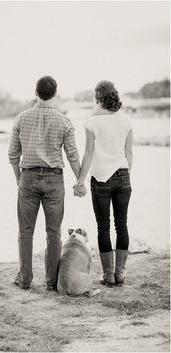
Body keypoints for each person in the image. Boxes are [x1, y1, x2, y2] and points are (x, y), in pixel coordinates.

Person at [8, 76, 81, 291]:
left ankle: (25, 279)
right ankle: (51, 282)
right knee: (54, 232)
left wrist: (18, 179)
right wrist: (80, 181)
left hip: (28, 177)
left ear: (35, 92)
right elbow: (73, 156)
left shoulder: (21, 118)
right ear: (55, 93)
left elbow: (13, 155)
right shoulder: (64, 121)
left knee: (25, 232)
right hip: (54, 180)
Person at [74, 80, 133, 287]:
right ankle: (120, 274)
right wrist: (126, 175)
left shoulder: (91, 122)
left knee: (104, 227)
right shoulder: (126, 121)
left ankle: (108, 275)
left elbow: (88, 154)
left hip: (101, 179)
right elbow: (129, 153)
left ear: (98, 98)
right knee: (122, 224)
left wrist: (79, 181)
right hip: (123, 175)